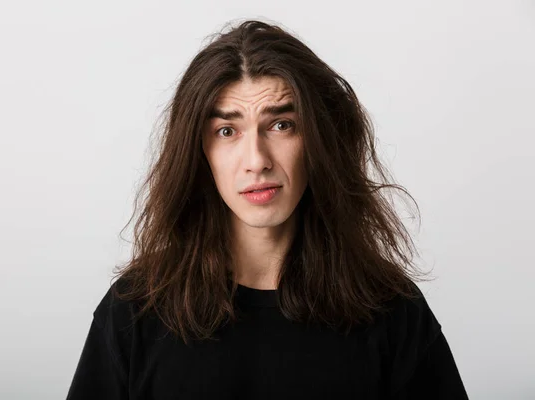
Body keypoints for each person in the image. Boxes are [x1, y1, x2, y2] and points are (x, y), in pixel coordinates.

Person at [66, 19, 469, 399]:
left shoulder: (394, 312)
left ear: (319, 140)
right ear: (199, 152)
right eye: (227, 131)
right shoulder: (133, 310)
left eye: (282, 125)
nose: (256, 159)